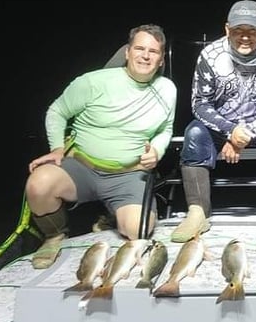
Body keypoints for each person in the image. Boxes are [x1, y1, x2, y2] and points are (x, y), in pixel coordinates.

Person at [25, 24, 177, 269]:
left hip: (129, 174)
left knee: (139, 230)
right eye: (139, 48)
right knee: (38, 184)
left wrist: (157, 151)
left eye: (153, 51)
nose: (145, 55)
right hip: (81, 167)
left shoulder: (167, 89)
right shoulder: (93, 82)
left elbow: (166, 129)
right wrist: (56, 149)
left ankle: (111, 217)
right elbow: (57, 111)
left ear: (161, 60)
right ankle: (53, 236)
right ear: (127, 52)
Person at [171, 0, 256, 243]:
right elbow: (200, 103)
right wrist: (231, 131)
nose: (245, 37)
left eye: (252, 31)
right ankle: (197, 211)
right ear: (227, 29)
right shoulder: (210, 55)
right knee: (194, 133)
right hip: (223, 125)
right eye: (239, 30)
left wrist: (246, 133)